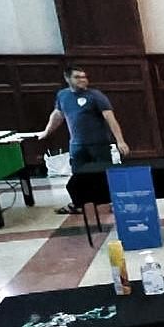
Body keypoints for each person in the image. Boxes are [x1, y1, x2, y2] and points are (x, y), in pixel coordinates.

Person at [39, 66, 130, 215]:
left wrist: (120, 140)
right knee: (78, 177)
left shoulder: (96, 96)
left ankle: (116, 202)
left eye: (84, 77)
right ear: (67, 79)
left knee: (106, 173)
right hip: (77, 144)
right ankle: (78, 203)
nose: (83, 80)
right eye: (78, 77)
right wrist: (47, 131)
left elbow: (110, 118)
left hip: (99, 144)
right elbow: (57, 115)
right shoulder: (63, 95)